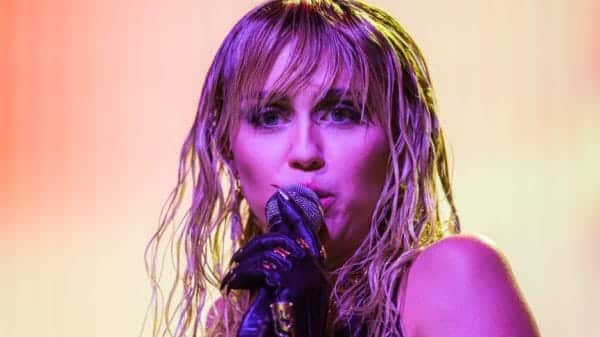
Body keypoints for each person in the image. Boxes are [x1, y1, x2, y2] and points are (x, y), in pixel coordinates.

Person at [144, 1, 541, 336]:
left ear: (397, 140)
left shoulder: (453, 277)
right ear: (227, 148)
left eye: (341, 113)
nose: (304, 150)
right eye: (269, 116)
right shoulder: (233, 320)